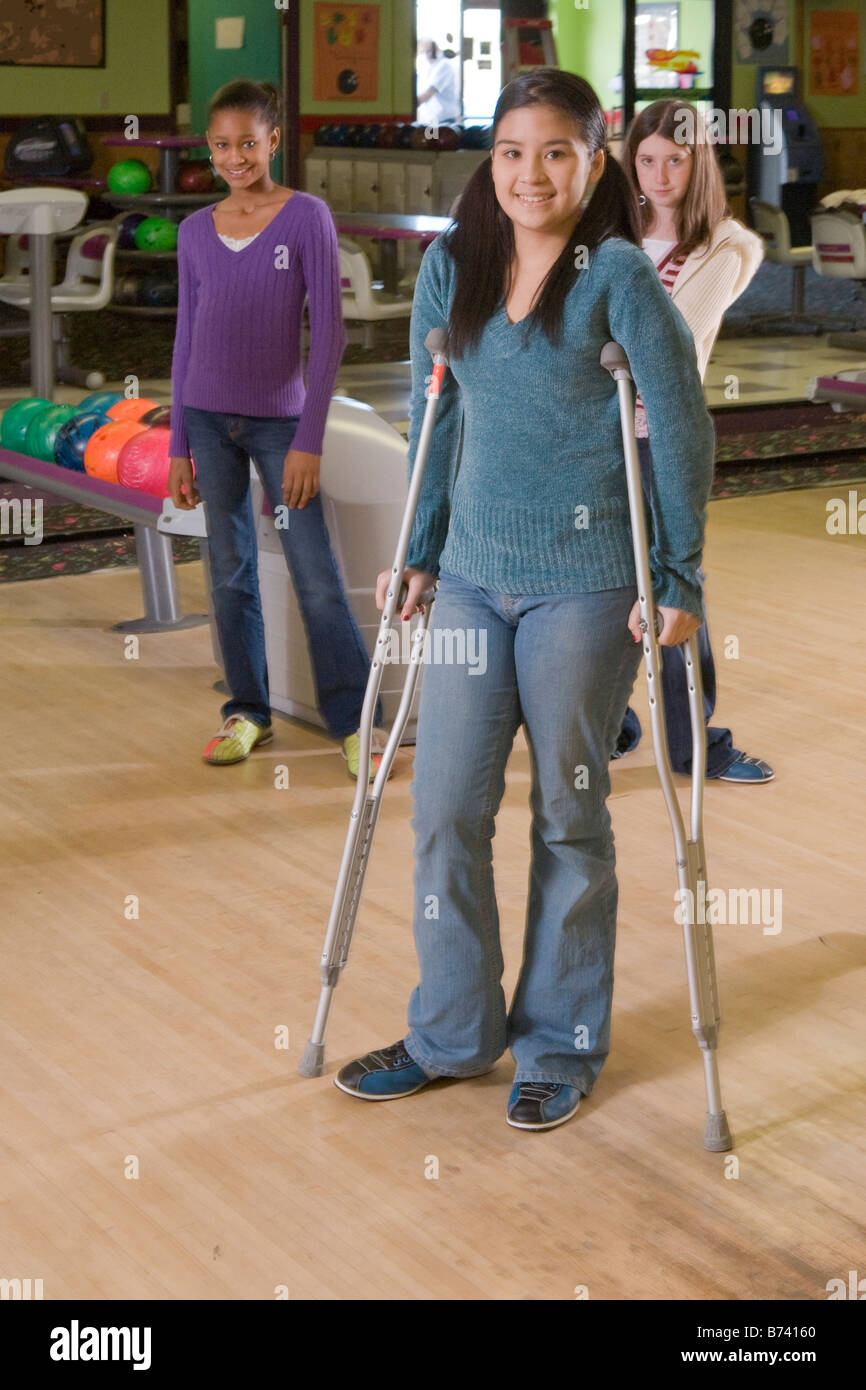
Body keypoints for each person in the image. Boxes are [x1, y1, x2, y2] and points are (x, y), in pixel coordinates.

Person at [333, 69, 715, 1131]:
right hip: (465, 577)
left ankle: (560, 1040)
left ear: (595, 161)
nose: (529, 172)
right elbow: (436, 415)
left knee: (566, 811)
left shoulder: (620, 279)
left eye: (555, 151)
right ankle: (454, 1033)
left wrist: (676, 575)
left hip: (586, 589)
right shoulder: (453, 263)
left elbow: (679, 427)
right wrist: (415, 549)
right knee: (445, 807)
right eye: (510, 150)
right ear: (487, 160)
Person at [168, 79, 387, 779]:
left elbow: (330, 336)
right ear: (212, 147)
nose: (236, 156)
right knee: (228, 574)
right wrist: (177, 442)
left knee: (313, 572)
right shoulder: (194, 232)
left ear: (272, 141)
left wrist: (308, 437)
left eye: (248, 142)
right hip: (206, 418)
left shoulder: (306, 217)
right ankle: (248, 712)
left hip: (279, 425)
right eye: (222, 145)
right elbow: (183, 340)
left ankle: (354, 721)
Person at [614, 98, 773, 783]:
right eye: (646, 160)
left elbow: (670, 335)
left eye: (675, 160)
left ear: (698, 160)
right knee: (599, 585)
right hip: (596, 433)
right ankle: (610, 722)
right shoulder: (612, 235)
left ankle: (692, 745)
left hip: (661, 436)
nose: (659, 175)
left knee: (678, 588)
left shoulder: (730, 246)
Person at [416, 39, 461, 128]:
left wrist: (409, 107)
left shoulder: (444, 66)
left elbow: (429, 93)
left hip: (445, 120)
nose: (425, 55)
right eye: (422, 52)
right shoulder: (431, 67)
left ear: (435, 50)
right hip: (434, 120)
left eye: (426, 51)